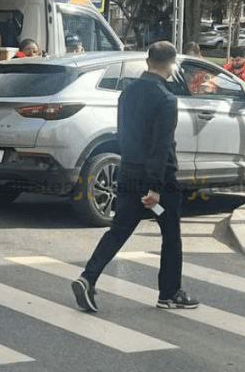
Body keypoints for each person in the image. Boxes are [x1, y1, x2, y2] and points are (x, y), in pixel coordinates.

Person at [72, 41, 199, 312]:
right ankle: (170, 293)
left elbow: (123, 135)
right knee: (171, 234)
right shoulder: (166, 100)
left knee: (118, 230)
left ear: (148, 61)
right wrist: (154, 189)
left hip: (129, 173)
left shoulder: (127, 94)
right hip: (158, 182)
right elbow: (160, 145)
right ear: (171, 64)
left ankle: (88, 277)